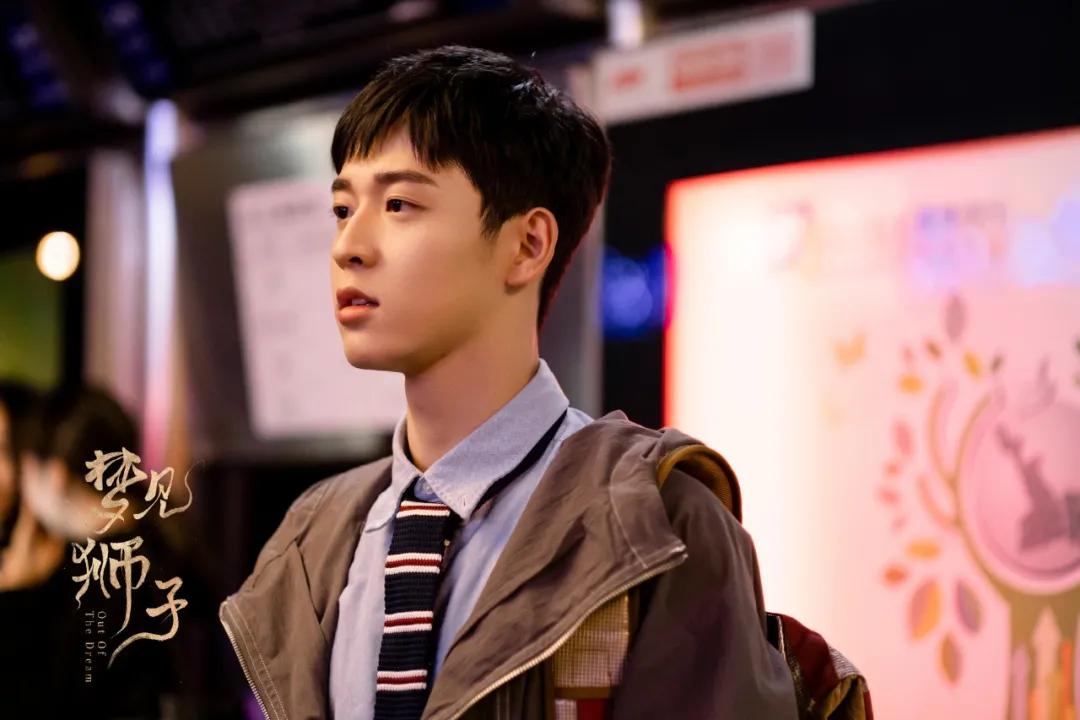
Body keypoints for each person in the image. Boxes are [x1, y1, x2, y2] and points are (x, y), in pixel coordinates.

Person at [220, 45, 798, 720]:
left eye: (400, 204)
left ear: (528, 246)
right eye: (344, 209)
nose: (349, 246)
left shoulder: (656, 520)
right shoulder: (313, 538)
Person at [0, 384, 184, 719]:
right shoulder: (162, 541)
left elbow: (50, 701)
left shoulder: (98, 578)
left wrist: (14, 597)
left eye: (25, 470)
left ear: (55, 475)